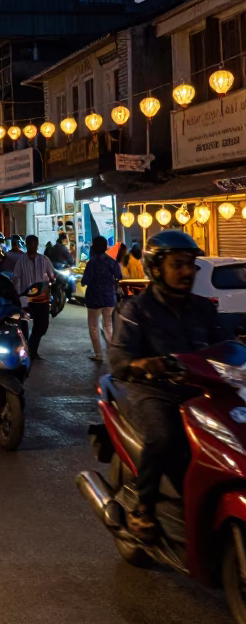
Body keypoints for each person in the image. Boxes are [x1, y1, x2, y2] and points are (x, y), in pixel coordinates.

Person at [108, 230, 222, 542]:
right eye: (178, 265)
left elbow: (223, 345)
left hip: (201, 392)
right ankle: (143, 507)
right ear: (156, 268)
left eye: (190, 265)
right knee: (163, 436)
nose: (187, 272)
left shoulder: (204, 309)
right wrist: (141, 364)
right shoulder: (136, 310)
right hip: (155, 391)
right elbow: (118, 356)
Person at [81, 235, 124, 363]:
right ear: (105, 247)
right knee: (108, 326)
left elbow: (85, 281)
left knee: (93, 326)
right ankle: (111, 354)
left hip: (94, 298)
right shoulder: (112, 262)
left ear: (95, 247)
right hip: (109, 297)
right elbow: (119, 277)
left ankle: (98, 354)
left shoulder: (92, 263)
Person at [13, 235, 55, 360]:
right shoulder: (21, 260)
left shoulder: (44, 259)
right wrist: (17, 294)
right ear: (26, 244)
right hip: (27, 299)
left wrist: (52, 282)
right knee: (24, 326)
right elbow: (16, 277)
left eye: (34, 244)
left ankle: (31, 348)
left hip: (42, 298)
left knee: (42, 326)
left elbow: (52, 274)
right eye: (30, 243)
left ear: (37, 245)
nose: (32, 246)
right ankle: (29, 352)